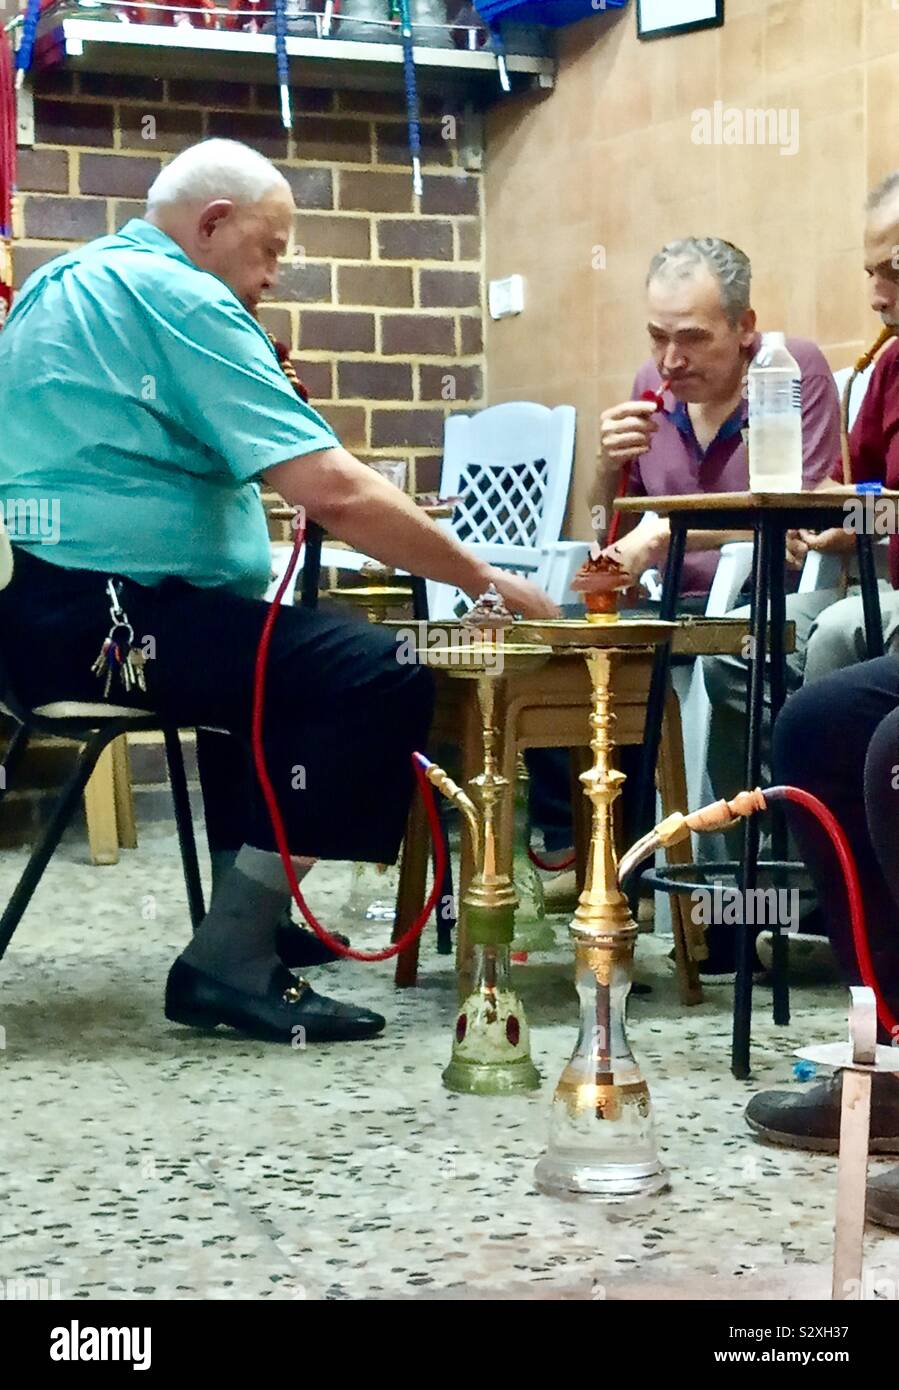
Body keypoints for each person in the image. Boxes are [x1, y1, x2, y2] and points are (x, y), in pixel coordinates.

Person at [0, 138, 556, 1046]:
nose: (273, 277)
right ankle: (230, 959)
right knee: (376, 670)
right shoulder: (180, 296)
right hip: (110, 624)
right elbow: (331, 488)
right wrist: (487, 580)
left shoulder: (65, 284)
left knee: (259, 663)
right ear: (212, 225)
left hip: (38, 619)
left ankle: (250, 916)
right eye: (269, 250)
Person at [530, 237, 840, 932]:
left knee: (637, 634)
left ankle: (688, 888)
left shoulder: (791, 372)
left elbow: (797, 513)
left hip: (753, 590)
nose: (671, 360)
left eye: (692, 339)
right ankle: (573, 846)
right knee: (553, 623)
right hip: (661, 589)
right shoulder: (652, 387)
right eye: (658, 337)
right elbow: (603, 529)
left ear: (744, 327)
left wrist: (666, 535)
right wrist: (606, 470)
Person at [701, 173, 899, 974]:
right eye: (871, 274)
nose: (879, 294)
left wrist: (861, 519)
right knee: (808, 720)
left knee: (841, 645)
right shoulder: (887, 367)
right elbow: (864, 497)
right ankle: (871, 1008)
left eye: (897, 272)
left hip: (879, 605)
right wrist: (830, 524)